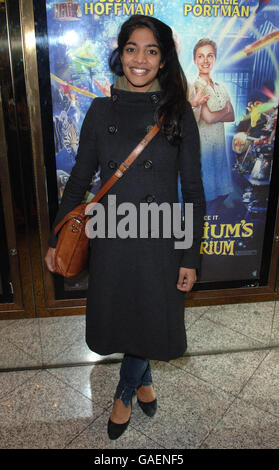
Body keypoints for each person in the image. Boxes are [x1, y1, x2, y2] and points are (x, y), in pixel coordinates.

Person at [44, 15, 205, 440]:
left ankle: (124, 391)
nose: (140, 59)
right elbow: (79, 180)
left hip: (161, 241)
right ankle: (144, 379)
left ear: (163, 60)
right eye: (132, 48)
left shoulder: (178, 113)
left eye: (151, 51)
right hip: (113, 237)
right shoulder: (100, 110)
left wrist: (190, 256)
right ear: (120, 53)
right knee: (131, 317)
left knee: (152, 316)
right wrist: (56, 236)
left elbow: (193, 191)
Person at [190, 38, 235, 213]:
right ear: (195, 60)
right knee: (205, 194)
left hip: (219, 146)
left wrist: (222, 113)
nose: (205, 60)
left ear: (215, 59)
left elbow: (232, 116)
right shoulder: (193, 86)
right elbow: (207, 117)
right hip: (202, 147)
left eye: (210, 56)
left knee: (221, 193)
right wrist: (224, 111)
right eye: (200, 56)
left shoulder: (221, 86)